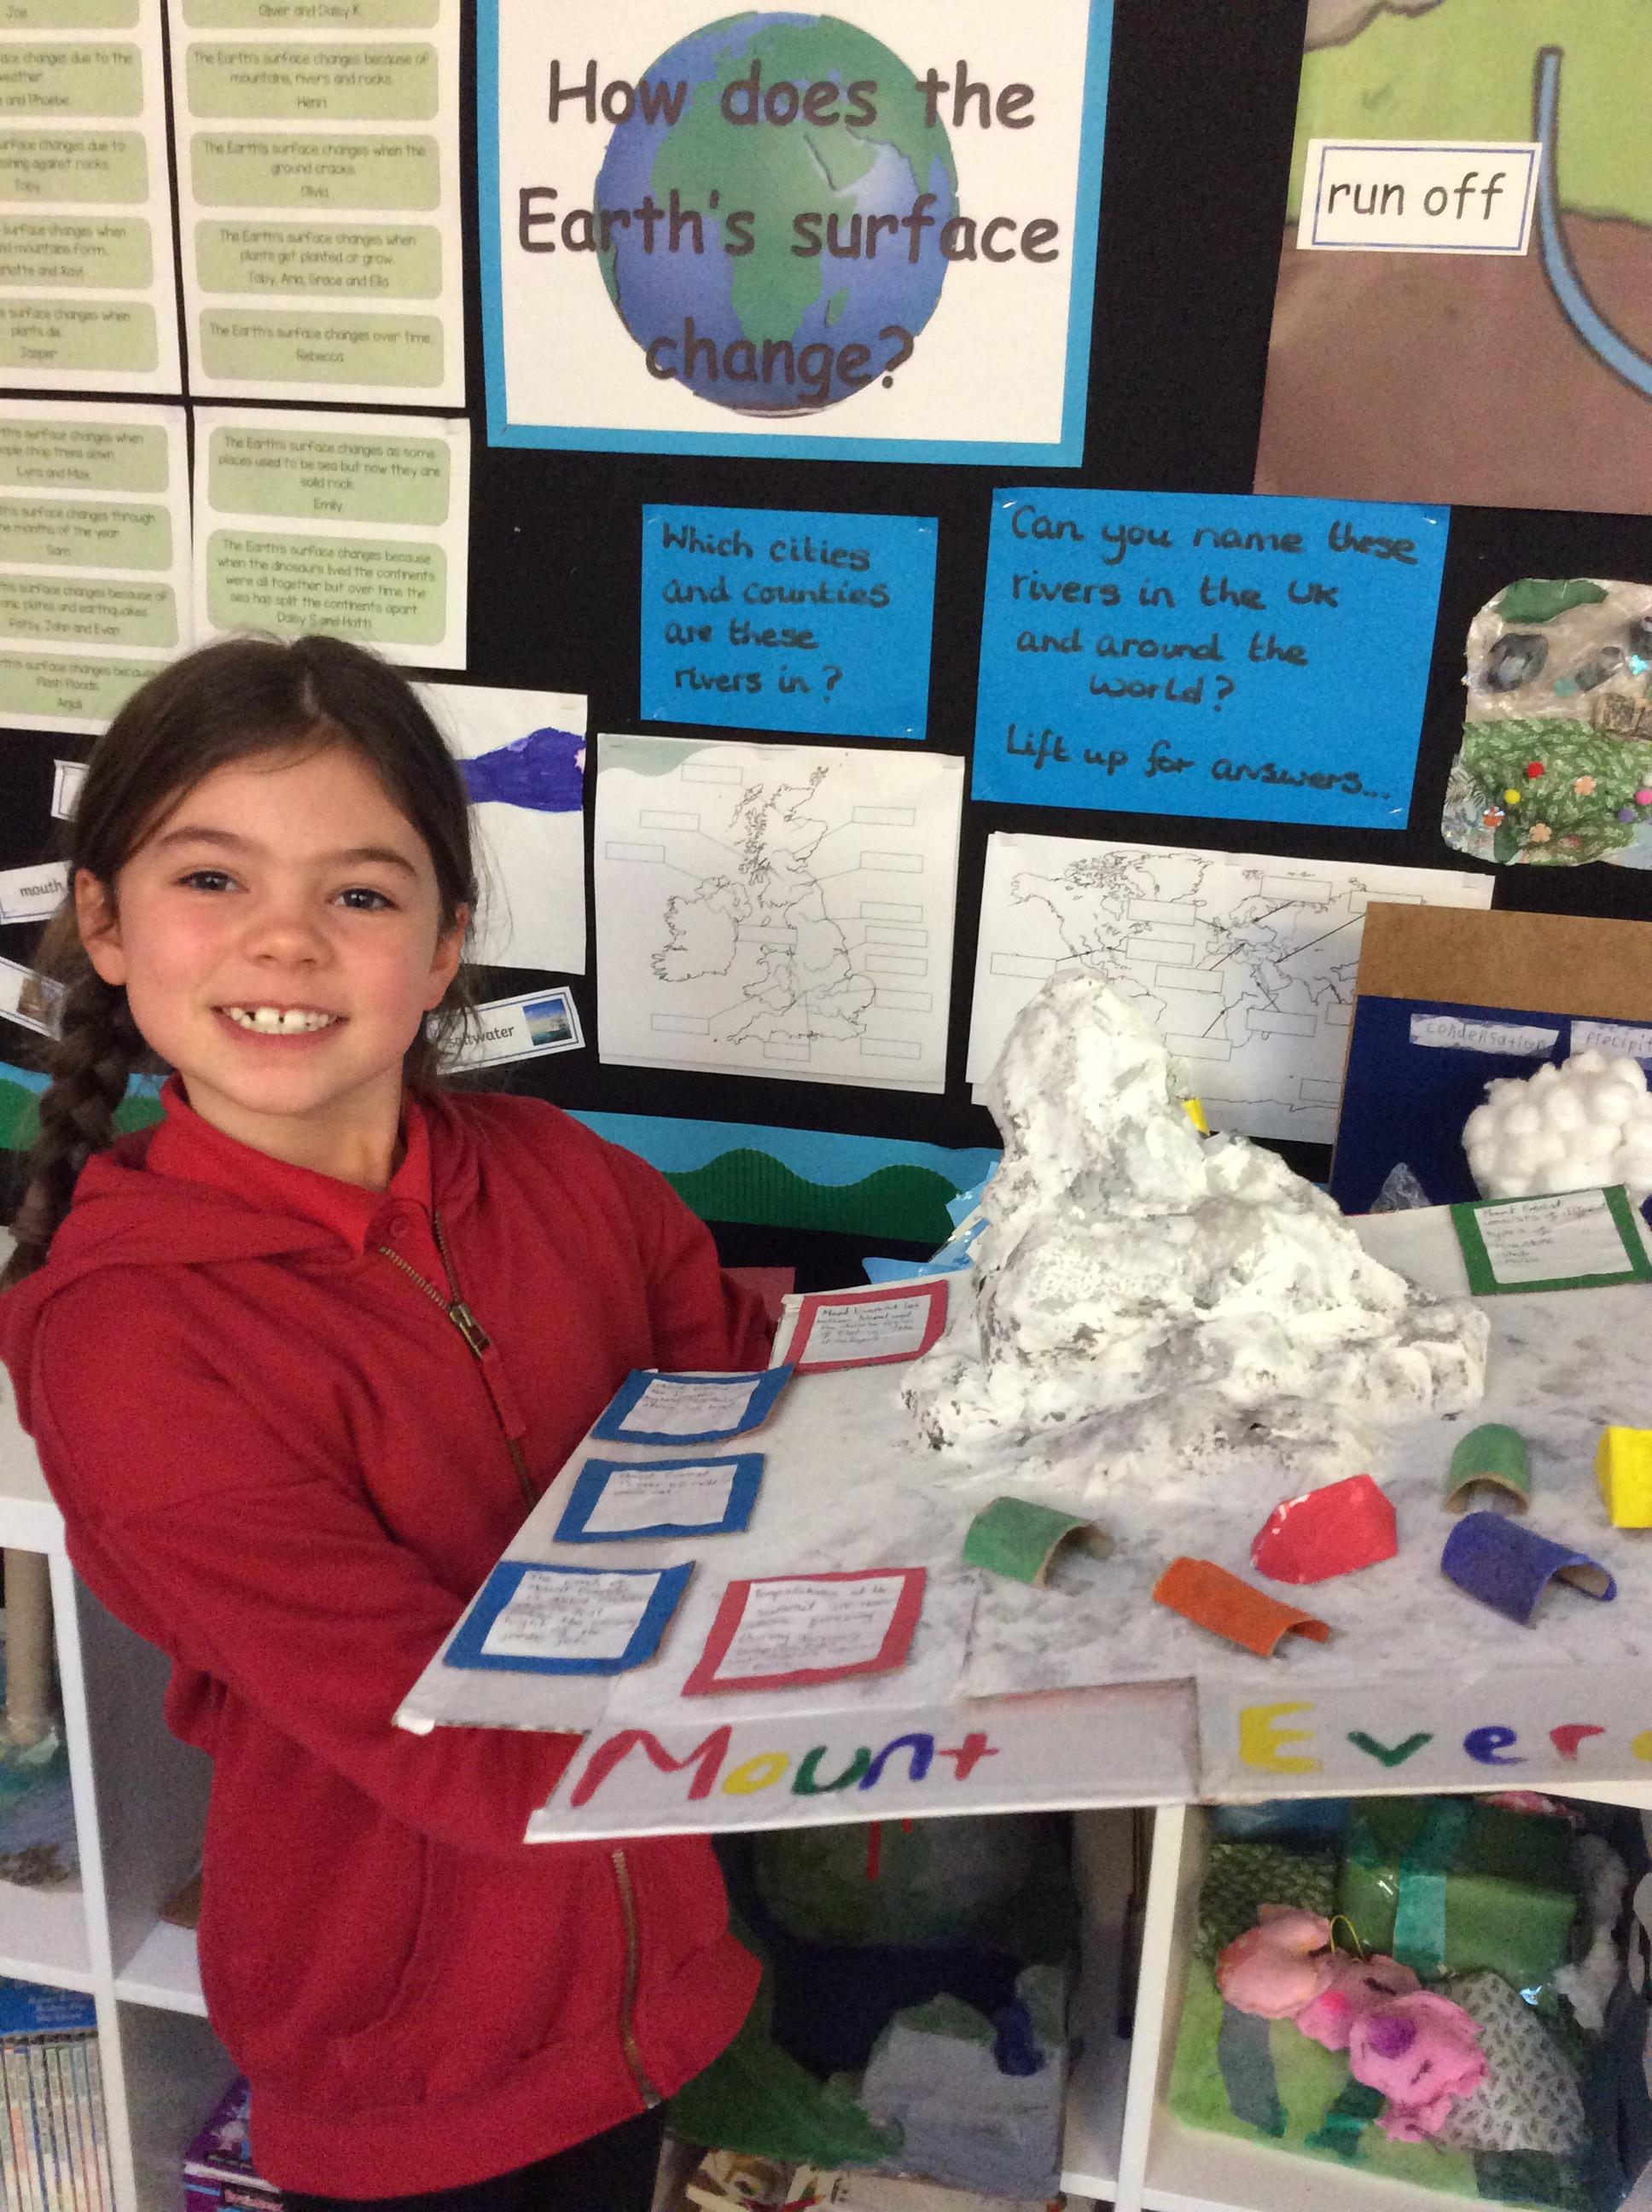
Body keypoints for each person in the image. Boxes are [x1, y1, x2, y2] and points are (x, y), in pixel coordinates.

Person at [0, 636, 769, 2209]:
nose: (285, 940)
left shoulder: (564, 1177)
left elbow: (745, 1430)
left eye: (358, 892)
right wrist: (837, 1730)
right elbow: (441, 1724)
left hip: (647, 1963)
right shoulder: (130, 1340)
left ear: (442, 947)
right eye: (211, 878)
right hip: (413, 2051)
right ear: (107, 925)